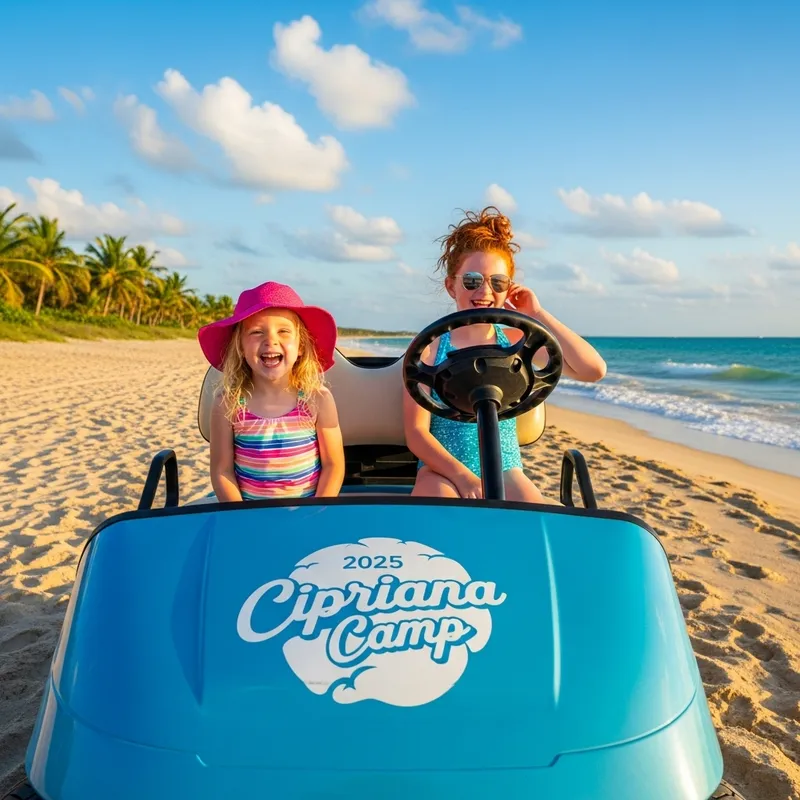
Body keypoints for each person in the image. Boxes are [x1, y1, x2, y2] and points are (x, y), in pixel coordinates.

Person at [403, 206, 607, 503]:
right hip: (441, 470)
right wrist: (462, 477)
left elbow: (593, 370)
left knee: (528, 516)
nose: (484, 291)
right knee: (437, 510)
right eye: (472, 280)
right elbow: (416, 433)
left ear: (509, 288)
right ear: (451, 285)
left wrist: (537, 314)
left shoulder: (517, 342)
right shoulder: (430, 348)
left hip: (506, 469)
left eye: (497, 282)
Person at [198, 281, 344, 501]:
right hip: (248, 514)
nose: (270, 341)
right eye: (257, 332)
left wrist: (317, 511)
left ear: (301, 346)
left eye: (283, 331)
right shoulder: (228, 403)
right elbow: (222, 472)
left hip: (307, 512)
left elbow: (333, 465)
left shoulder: (317, 399)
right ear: (240, 347)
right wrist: (240, 515)